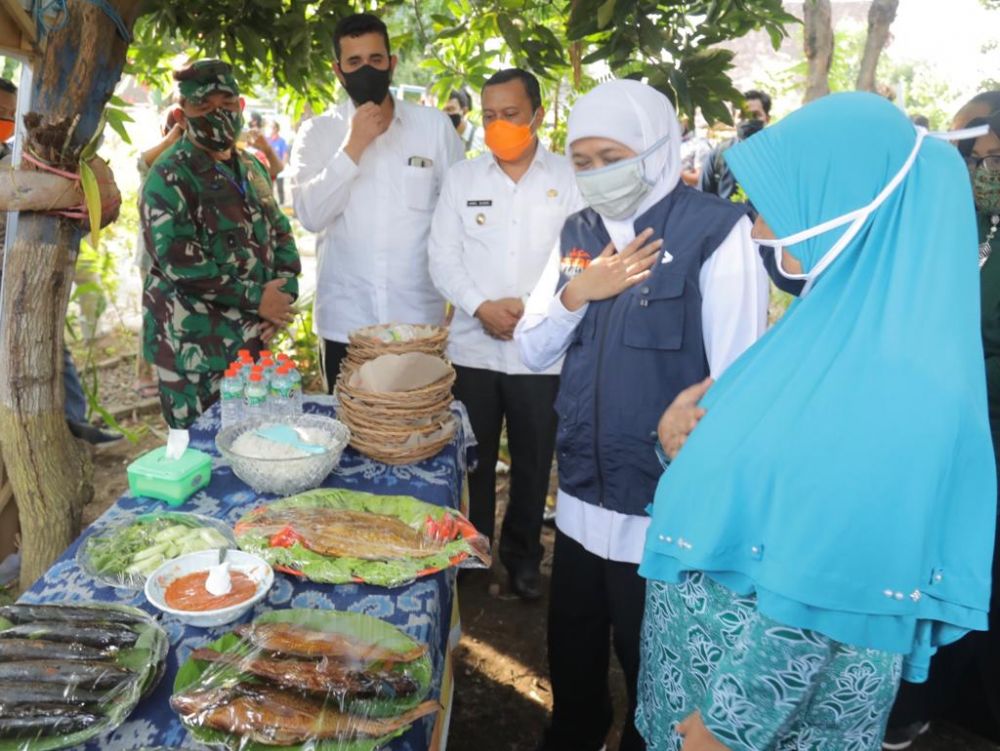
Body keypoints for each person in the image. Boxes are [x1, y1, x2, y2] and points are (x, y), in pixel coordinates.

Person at [638, 92, 995, 751]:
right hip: (698, 692)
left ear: (849, 215)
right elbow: (749, 472)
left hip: (755, 726)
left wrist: (722, 730)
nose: (756, 231)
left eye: (777, 207)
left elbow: (825, 596)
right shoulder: (819, 336)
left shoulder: (900, 392)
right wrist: (677, 434)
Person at [515, 79, 767, 751]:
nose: (597, 174)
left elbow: (736, 385)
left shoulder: (718, 232)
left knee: (655, 678)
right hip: (578, 505)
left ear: (656, 147)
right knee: (572, 662)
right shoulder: (579, 233)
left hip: (661, 518)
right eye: (583, 160)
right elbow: (532, 345)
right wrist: (578, 292)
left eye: (611, 155)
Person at [429, 68, 582, 600]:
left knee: (534, 462)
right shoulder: (463, 180)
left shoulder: (570, 179)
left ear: (538, 115)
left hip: (544, 354)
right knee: (470, 460)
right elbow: (442, 257)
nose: (498, 125)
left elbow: (578, 259)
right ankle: (472, 558)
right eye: (490, 115)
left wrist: (535, 313)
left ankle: (523, 558)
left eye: (510, 115)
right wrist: (480, 307)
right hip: (473, 349)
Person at [881, 90, 1000, 751]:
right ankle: (924, 700)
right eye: (961, 154)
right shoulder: (961, 225)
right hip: (945, 432)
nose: (971, 169)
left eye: (981, 155)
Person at [289, 12, 464, 388]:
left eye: (375, 60)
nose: (366, 69)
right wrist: (353, 146)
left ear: (392, 64)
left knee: (416, 434)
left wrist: (461, 299)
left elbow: (458, 217)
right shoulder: (318, 133)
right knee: (350, 432)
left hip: (419, 319)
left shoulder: (434, 128)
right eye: (354, 62)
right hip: (347, 323)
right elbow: (310, 215)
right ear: (339, 71)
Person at [140, 59, 300, 429]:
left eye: (226, 105)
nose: (218, 115)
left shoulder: (250, 167)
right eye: (203, 107)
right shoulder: (170, 175)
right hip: (192, 356)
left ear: (241, 107)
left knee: (252, 445)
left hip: (249, 343)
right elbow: (178, 261)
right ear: (182, 114)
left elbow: (280, 232)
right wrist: (258, 299)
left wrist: (282, 295)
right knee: (201, 456)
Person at [699, 89, 771, 201]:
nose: (748, 120)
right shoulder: (719, 155)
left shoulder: (779, 156)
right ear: (734, 119)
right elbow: (702, 200)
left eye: (755, 115)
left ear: (767, 119)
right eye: (742, 115)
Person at [443, 88, 484, 155]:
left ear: (464, 111)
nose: (444, 114)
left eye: (450, 109)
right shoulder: (439, 139)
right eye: (440, 110)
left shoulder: (482, 139)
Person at [267, 121, 290, 203]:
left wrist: (283, 165)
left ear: (277, 129)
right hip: (269, 168)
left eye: (273, 127)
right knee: (269, 188)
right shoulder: (267, 140)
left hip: (278, 168)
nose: (271, 129)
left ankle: (282, 203)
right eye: (270, 127)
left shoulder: (281, 141)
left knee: (280, 188)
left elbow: (285, 154)